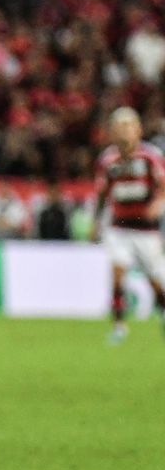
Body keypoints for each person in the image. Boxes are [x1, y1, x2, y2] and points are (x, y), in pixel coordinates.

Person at [92, 107, 165, 344]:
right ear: (111, 132)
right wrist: (96, 221)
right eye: (119, 127)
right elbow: (102, 194)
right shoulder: (107, 160)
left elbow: (163, 187)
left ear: (138, 130)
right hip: (119, 227)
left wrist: (158, 203)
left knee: (156, 282)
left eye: (128, 126)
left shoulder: (150, 157)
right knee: (117, 274)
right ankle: (119, 326)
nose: (124, 132)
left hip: (146, 229)